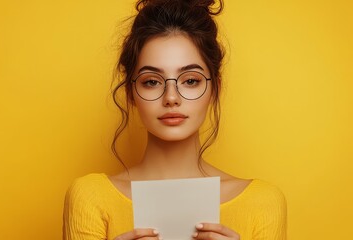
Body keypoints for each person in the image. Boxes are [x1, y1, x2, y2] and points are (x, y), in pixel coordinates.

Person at [63, 0, 287, 239]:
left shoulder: (262, 202)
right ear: (130, 93)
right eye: (152, 81)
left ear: (215, 89)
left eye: (190, 80)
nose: (171, 98)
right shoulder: (90, 197)